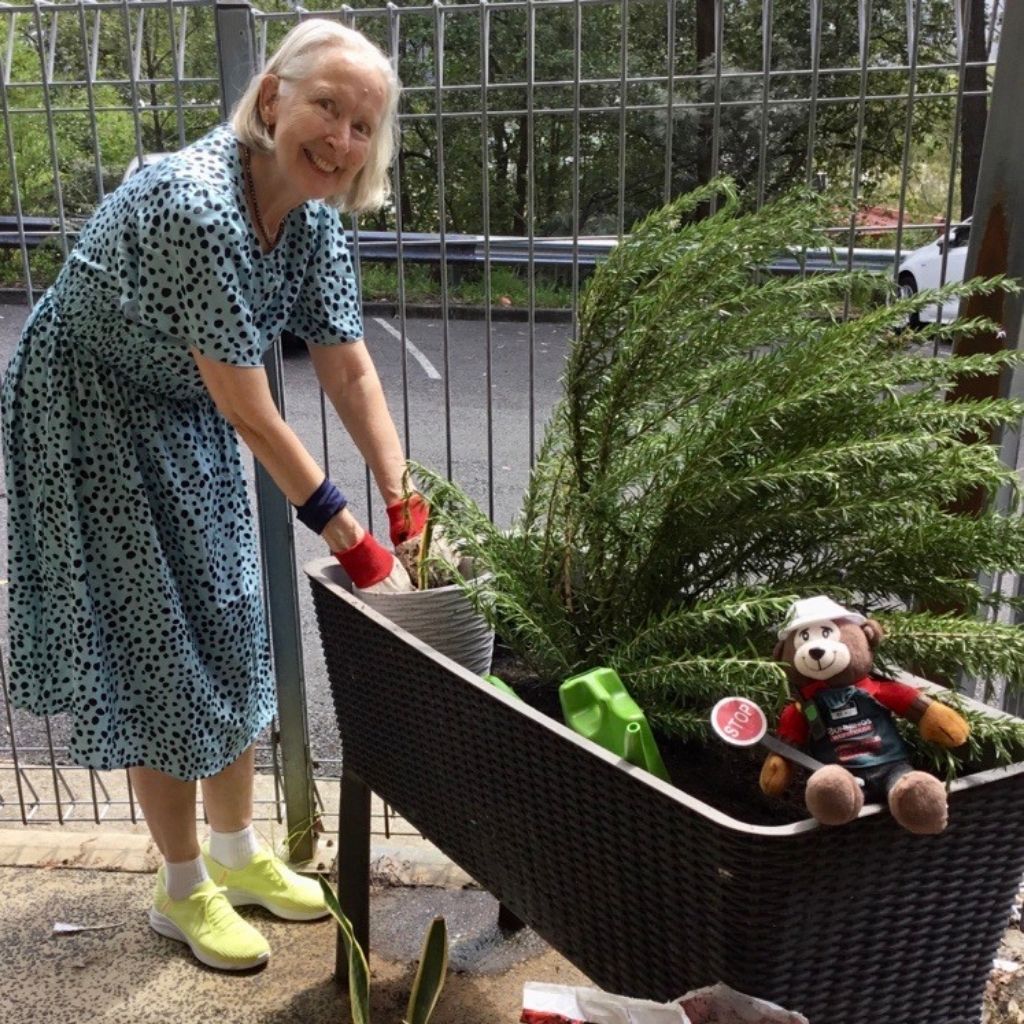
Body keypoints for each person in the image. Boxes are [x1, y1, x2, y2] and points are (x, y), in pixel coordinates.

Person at [1, 19, 428, 972]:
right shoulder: (196, 205)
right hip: (90, 413)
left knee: (231, 616)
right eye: (327, 107)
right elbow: (252, 409)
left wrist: (404, 500)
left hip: (181, 402)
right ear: (273, 98)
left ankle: (238, 855)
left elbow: (347, 365)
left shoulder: (312, 213)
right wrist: (356, 541)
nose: (342, 140)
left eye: (363, 124)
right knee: (157, 641)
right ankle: (182, 884)